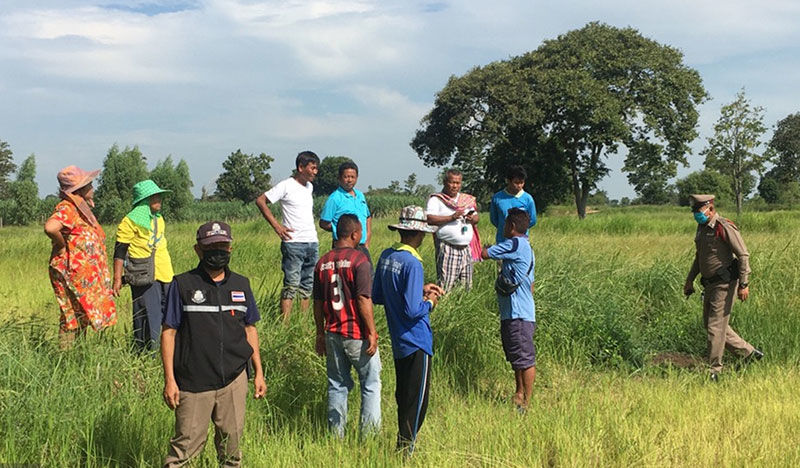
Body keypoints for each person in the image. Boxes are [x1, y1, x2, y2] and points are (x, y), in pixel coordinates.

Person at [161, 221, 266, 467]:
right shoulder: (183, 284)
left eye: (223, 245)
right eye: (211, 246)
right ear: (198, 250)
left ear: (230, 248)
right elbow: (169, 333)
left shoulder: (241, 284)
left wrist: (259, 372)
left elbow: (250, 329)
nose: (218, 251)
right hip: (193, 382)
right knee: (182, 453)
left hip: (234, 380)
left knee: (231, 453)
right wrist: (169, 379)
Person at [372, 206, 444, 455]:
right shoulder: (413, 262)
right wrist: (430, 301)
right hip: (417, 340)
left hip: (398, 340)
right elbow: (414, 311)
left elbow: (378, 295)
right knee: (417, 403)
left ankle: (401, 447)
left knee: (404, 396)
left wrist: (417, 289)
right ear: (416, 233)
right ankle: (406, 452)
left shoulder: (386, 256)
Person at [313, 214, 381, 438]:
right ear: (354, 234)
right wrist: (371, 331)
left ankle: (336, 437)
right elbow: (363, 299)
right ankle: (368, 438)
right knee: (370, 384)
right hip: (356, 333)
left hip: (332, 332)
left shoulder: (322, 262)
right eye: (360, 232)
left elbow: (318, 302)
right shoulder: (359, 260)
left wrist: (319, 334)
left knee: (337, 385)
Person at [683, 194, 763, 381]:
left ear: (710, 209)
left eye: (699, 211)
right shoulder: (702, 228)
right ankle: (749, 354)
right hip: (709, 284)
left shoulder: (723, 226)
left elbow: (743, 255)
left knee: (715, 327)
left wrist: (744, 284)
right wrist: (689, 280)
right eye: (694, 211)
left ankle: (714, 371)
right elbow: (699, 257)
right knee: (713, 325)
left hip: (725, 284)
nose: (696, 214)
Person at [44, 166, 116, 348]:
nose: (93, 187)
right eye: (89, 184)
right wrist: (60, 246)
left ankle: (77, 355)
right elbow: (51, 227)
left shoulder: (79, 209)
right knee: (70, 318)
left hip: (80, 275)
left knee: (81, 316)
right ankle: (66, 358)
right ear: (80, 189)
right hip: (69, 272)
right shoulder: (67, 208)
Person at [481, 208, 536, 412]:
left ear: (511, 227)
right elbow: (531, 284)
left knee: (525, 359)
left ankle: (526, 402)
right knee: (517, 357)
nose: (503, 227)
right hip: (518, 312)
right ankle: (519, 394)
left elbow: (484, 253)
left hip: (518, 314)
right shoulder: (527, 247)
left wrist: (477, 237)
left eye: (505, 224)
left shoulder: (514, 244)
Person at [255, 151, 320, 322]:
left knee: (307, 285)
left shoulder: (309, 187)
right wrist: (277, 226)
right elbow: (261, 200)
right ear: (301, 167)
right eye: (312, 168)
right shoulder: (286, 185)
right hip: (293, 243)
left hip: (311, 241)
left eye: (316, 168)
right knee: (291, 285)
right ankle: (285, 324)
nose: (315, 172)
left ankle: (303, 323)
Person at [113, 179, 174, 352]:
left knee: (166, 315)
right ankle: (145, 355)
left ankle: (165, 352)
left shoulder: (158, 219)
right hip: (143, 275)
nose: (159, 200)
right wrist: (118, 278)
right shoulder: (130, 222)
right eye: (155, 197)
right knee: (147, 318)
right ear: (145, 200)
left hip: (164, 273)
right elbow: (120, 251)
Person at [425, 168, 481, 292]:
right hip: (448, 247)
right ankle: (442, 307)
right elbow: (429, 219)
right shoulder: (437, 200)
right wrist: (451, 217)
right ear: (445, 182)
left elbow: (477, 218)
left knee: (466, 285)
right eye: (452, 182)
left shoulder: (466, 200)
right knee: (446, 285)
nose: (455, 186)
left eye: (458, 183)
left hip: (466, 248)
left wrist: (472, 218)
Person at [319, 161, 372, 263]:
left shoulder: (360, 196)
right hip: (344, 246)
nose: (349, 180)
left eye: (352, 177)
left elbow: (368, 217)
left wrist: (368, 237)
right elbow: (324, 223)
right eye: (346, 177)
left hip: (361, 245)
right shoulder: (335, 198)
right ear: (339, 178)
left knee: (367, 275)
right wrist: (339, 229)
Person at [489, 165, 537, 244]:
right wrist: (506, 228)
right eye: (516, 182)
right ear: (508, 181)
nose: (519, 186)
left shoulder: (528, 199)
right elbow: (494, 219)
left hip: (521, 242)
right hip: (502, 241)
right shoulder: (497, 198)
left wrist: (519, 230)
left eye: (522, 183)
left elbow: (532, 220)